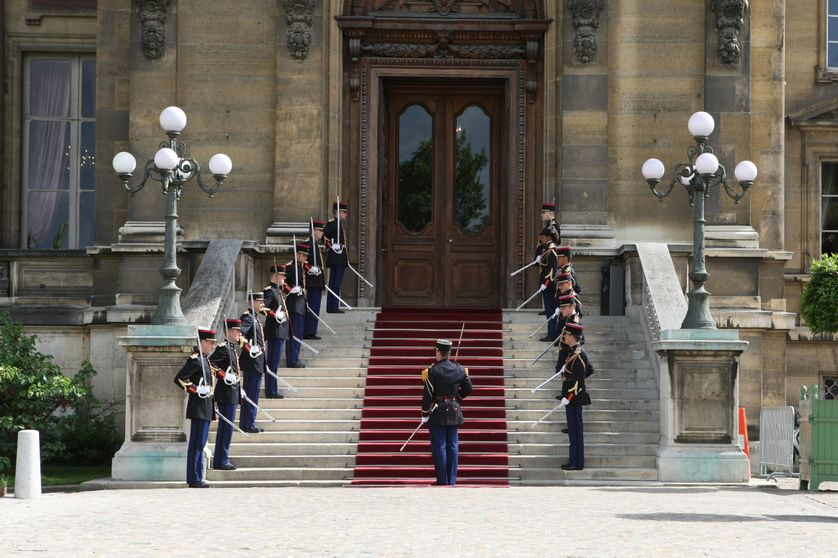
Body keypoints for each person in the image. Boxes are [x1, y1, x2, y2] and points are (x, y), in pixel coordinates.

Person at [421, 338, 473, 486]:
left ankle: (442, 479)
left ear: (438, 352)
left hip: (437, 411)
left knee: (439, 446)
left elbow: (427, 395)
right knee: (452, 445)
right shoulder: (460, 369)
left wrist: (425, 413)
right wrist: (457, 398)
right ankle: (451, 479)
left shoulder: (433, 371)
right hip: (454, 410)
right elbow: (469, 388)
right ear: (449, 353)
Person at [173, 328, 217, 488]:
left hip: (205, 407)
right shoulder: (196, 360)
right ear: (202, 342)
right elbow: (180, 379)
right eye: (210, 343)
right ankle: (196, 478)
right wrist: (196, 389)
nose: (213, 346)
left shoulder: (205, 361)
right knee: (197, 444)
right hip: (199, 407)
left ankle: (196, 477)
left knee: (200, 444)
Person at [557, 323, 591, 471]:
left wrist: (569, 397)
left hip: (574, 398)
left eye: (566, 334)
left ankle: (576, 462)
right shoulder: (572, 352)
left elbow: (579, 381)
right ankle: (574, 460)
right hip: (571, 396)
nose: (564, 336)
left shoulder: (579, 354)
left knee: (576, 431)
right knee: (573, 430)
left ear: (572, 336)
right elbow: (588, 371)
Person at [209, 318, 242, 470]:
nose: (239, 334)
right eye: (237, 331)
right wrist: (223, 375)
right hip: (226, 394)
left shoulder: (232, 348)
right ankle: (222, 460)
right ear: (229, 332)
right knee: (226, 428)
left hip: (232, 393)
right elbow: (210, 364)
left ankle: (221, 459)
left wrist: (239, 387)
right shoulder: (224, 348)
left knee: (227, 428)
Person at [239, 291, 267, 433]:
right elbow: (239, 335)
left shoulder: (255, 317)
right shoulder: (248, 318)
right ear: (253, 302)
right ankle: (248, 423)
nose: (263, 304)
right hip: (252, 361)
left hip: (257, 361)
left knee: (252, 393)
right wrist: (249, 348)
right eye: (260, 302)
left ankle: (247, 422)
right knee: (251, 393)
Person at [263, 264, 290, 398]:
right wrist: (275, 315)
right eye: (282, 276)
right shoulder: (269, 291)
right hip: (274, 331)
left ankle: (272, 389)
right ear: (275, 276)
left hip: (280, 331)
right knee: (272, 363)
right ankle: (271, 391)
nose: (284, 279)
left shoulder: (278, 291)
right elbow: (263, 308)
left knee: (275, 363)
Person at [283, 243, 308, 368]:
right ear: (297, 255)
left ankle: (294, 358)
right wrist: (291, 290)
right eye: (303, 255)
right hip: (294, 305)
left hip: (300, 305)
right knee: (294, 334)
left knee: (298, 334)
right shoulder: (291, 267)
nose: (305, 258)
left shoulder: (300, 267)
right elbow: (282, 283)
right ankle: (292, 360)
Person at [323, 200, 349, 313]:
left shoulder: (339, 224)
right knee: (335, 284)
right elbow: (323, 236)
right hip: (336, 257)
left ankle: (332, 306)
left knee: (335, 283)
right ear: (338, 212)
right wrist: (331, 246)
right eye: (344, 212)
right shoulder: (333, 224)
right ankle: (333, 306)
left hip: (340, 258)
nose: (346, 214)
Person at [304, 220, 326, 339]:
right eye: (320, 231)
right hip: (311, 282)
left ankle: (311, 330)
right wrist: (310, 268)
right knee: (312, 307)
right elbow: (303, 261)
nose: (322, 233)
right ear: (314, 231)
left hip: (317, 282)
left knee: (315, 307)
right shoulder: (308, 244)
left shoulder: (315, 244)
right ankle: (309, 331)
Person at [536, 228, 559, 341]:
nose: (542, 239)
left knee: (550, 311)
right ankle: (551, 333)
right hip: (546, 283)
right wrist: (538, 260)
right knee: (549, 310)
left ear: (549, 237)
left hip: (549, 285)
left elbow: (552, 269)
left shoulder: (551, 250)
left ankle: (552, 334)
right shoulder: (547, 249)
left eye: (543, 237)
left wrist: (546, 283)